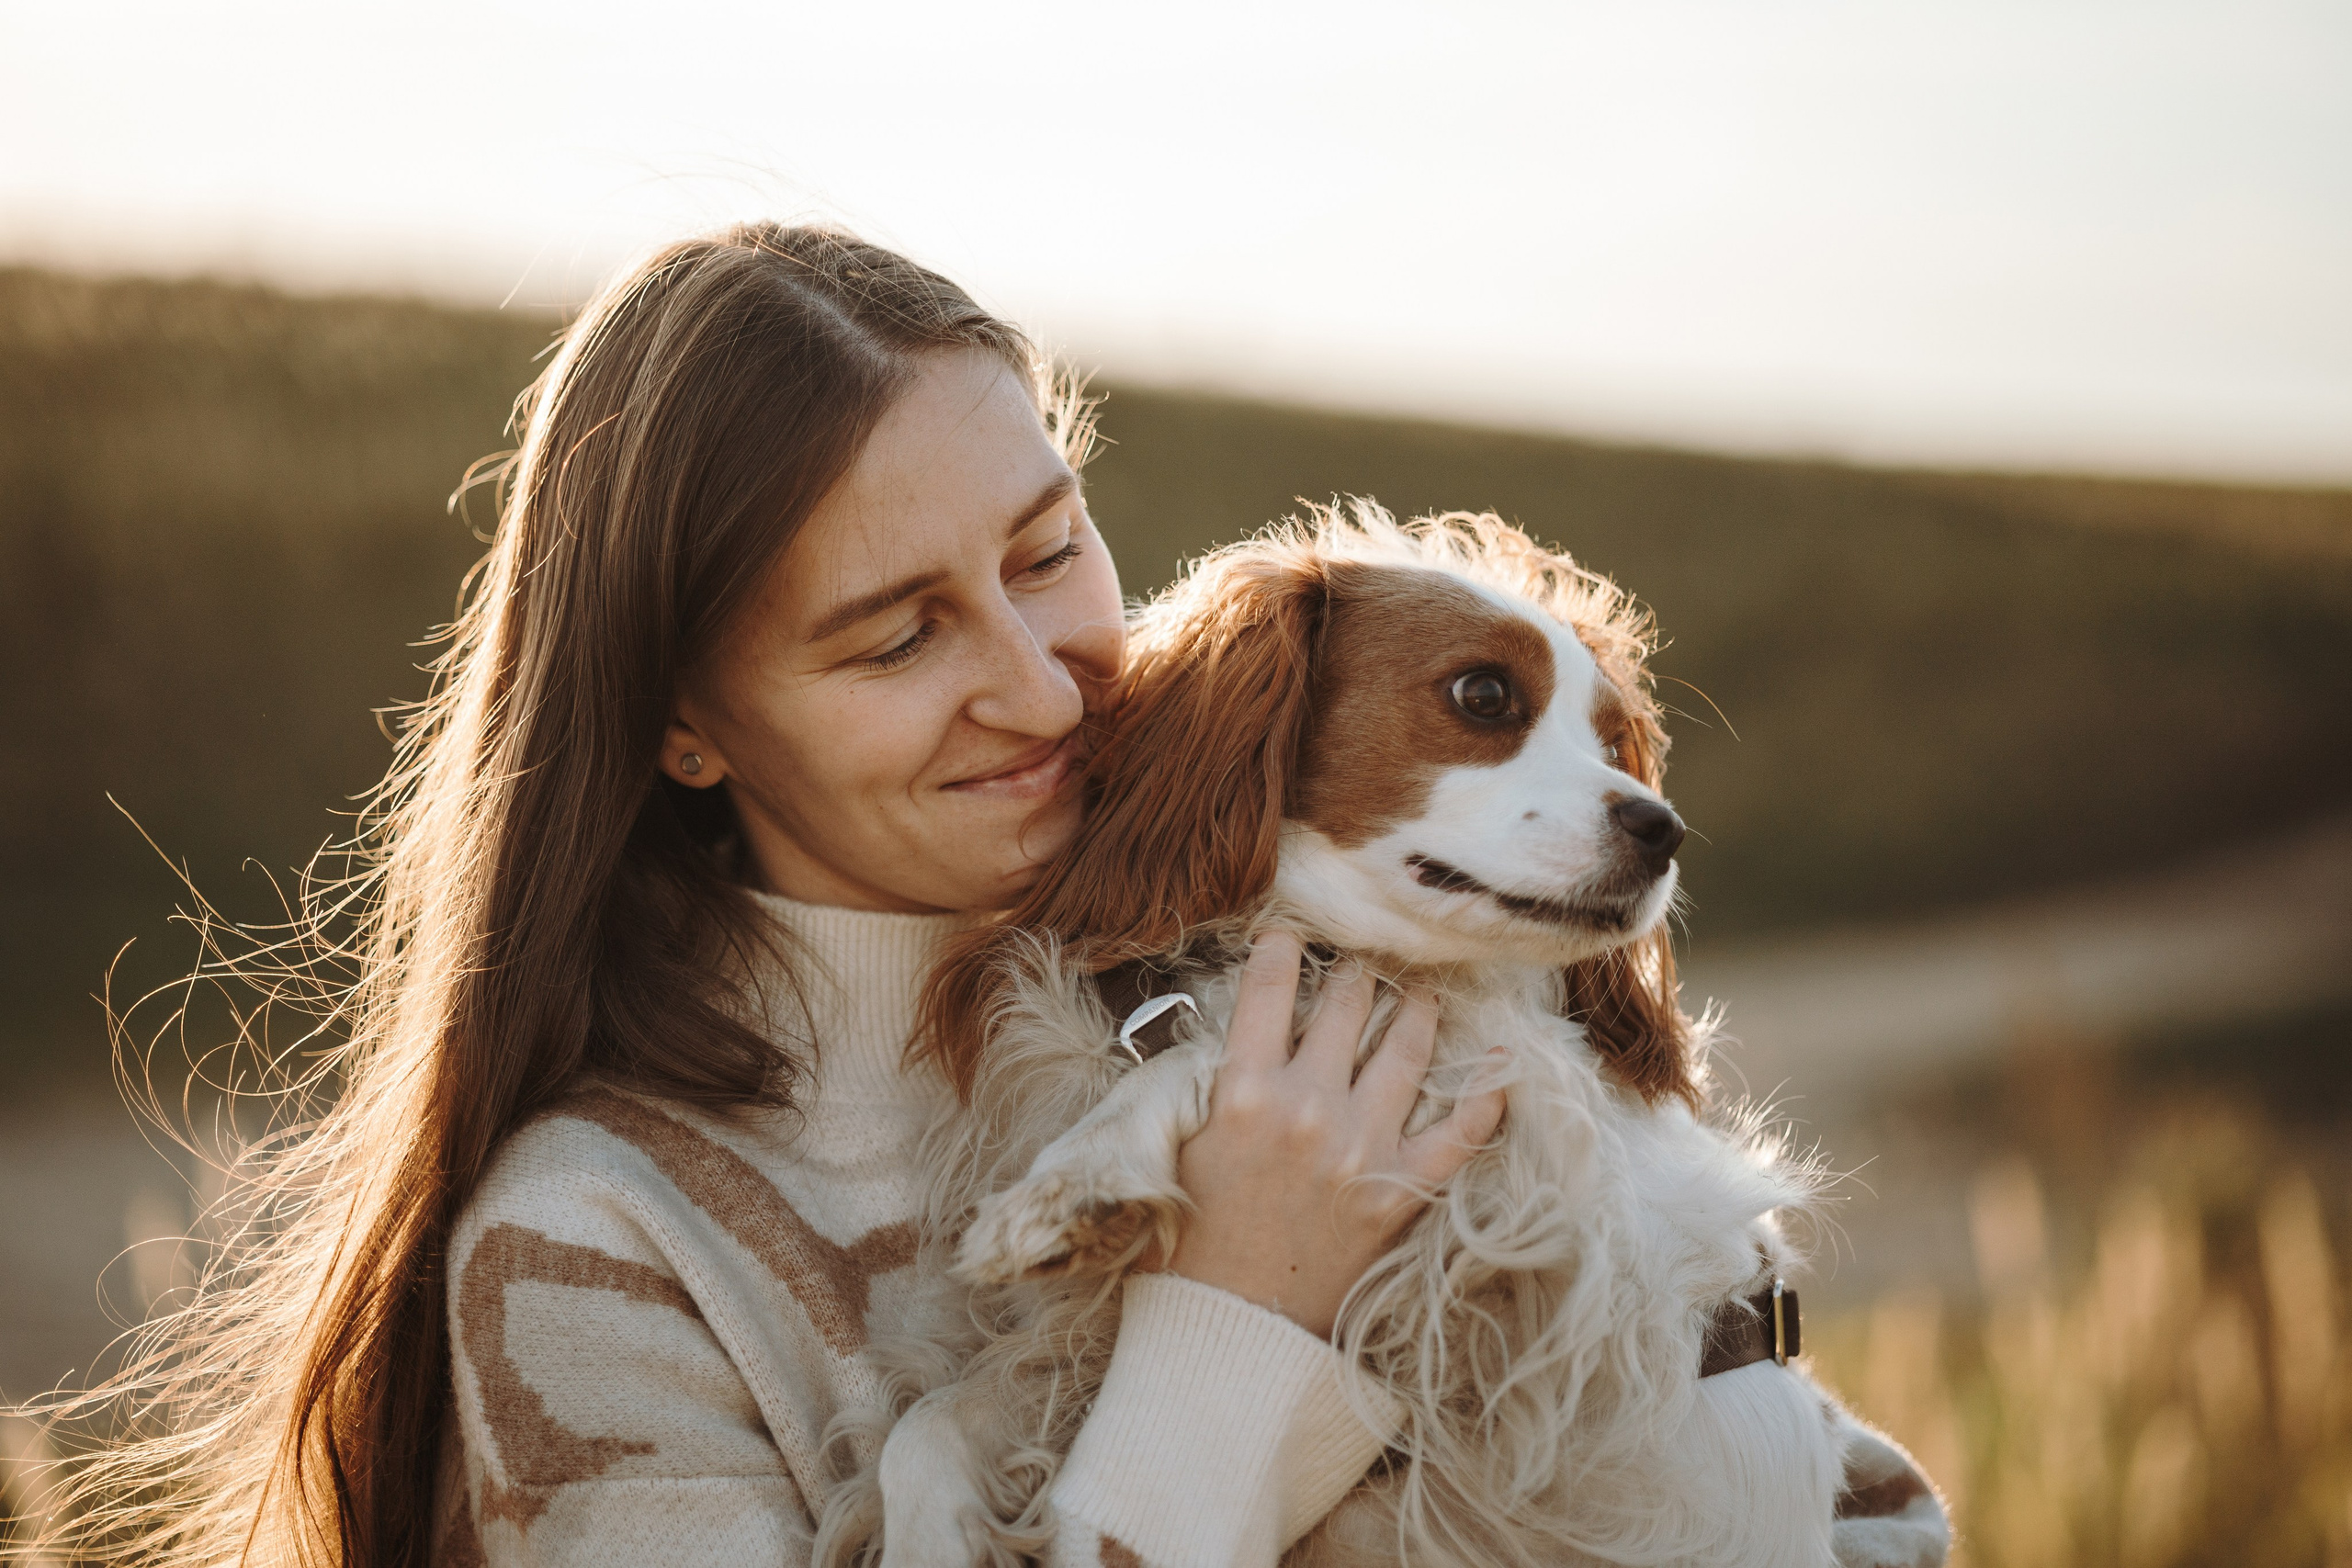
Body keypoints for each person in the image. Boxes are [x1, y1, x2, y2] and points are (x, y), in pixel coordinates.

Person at [40, 223, 1505, 1568]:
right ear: (687, 724)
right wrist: (1238, 1327)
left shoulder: (1305, 977)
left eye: (1049, 554)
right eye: (893, 643)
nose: (1039, 681)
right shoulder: (599, 1252)